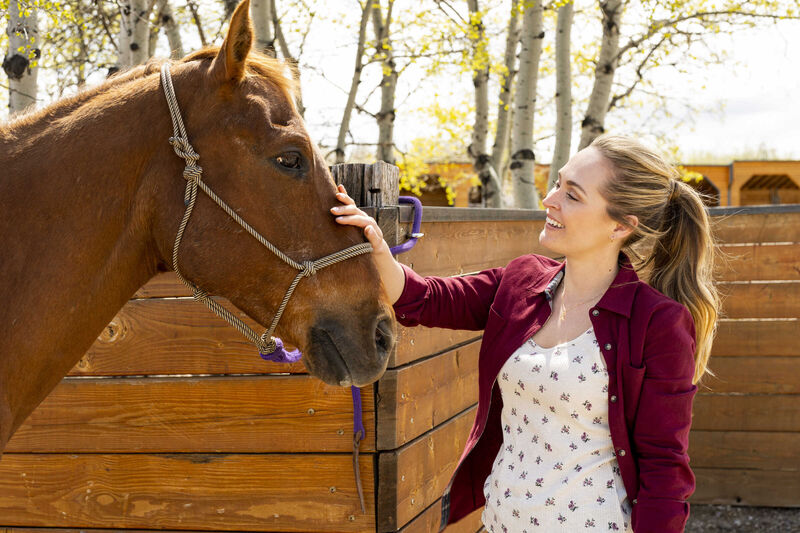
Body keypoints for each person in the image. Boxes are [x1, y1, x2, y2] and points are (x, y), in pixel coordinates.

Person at [330, 134, 720, 533]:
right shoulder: (522, 280)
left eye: (573, 195)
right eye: (558, 183)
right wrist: (376, 246)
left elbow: (664, 467)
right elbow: (426, 298)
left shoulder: (657, 322)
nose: (550, 199)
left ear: (620, 225)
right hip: (500, 523)